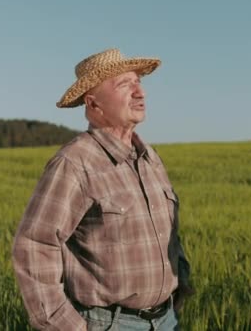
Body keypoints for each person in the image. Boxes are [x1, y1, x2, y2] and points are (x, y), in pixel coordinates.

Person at [12, 48, 193, 330]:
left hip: (167, 320)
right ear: (93, 103)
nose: (139, 92)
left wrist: (180, 285)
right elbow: (35, 245)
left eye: (139, 82)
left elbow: (169, 233)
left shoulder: (150, 158)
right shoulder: (74, 162)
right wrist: (67, 326)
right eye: (124, 84)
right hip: (108, 324)